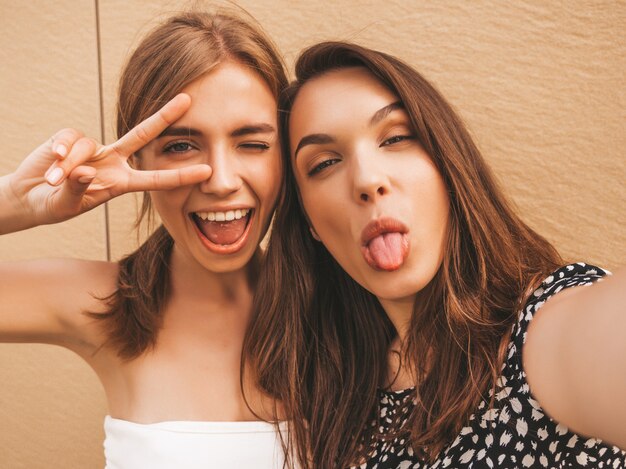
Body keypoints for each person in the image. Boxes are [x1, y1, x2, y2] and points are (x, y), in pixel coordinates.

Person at [244, 41, 626, 468]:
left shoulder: (544, 327)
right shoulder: (338, 402)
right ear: (310, 223)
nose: (367, 180)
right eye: (324, 164)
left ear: (447, 163)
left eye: (395, 137)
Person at [0, 10, 289, 469]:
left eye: (251, 143)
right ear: (137, 159)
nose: (220, 180)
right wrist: (16, 201)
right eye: (180, 146)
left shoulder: (343, 304)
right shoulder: (101, 305)